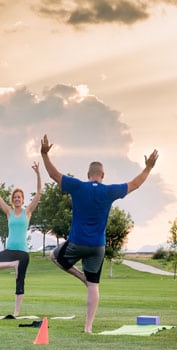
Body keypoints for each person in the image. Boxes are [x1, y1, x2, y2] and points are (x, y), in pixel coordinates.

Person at [40, 134, 158, 333]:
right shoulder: (109, 191)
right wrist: (148, 167)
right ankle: (88, 327)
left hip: (76, 242)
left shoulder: (78, 186)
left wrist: (44, 155)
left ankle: (80, 277)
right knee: (94, 286)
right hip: (98, 246)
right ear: (102, 175)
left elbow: (54, 175)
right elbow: (135, 184)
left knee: (54, 256)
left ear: (88, 174)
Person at [0, 162, 42, 316]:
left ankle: (16, 312)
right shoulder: (8, 212)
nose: (17, 199)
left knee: (19, 282)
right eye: (15, 197)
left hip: (22, 252)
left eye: (19, 197)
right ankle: (13, 265)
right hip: (10, 251)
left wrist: (37, 173)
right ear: (12, 200)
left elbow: (39, 193)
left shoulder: (27, 212)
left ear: (22, 200)